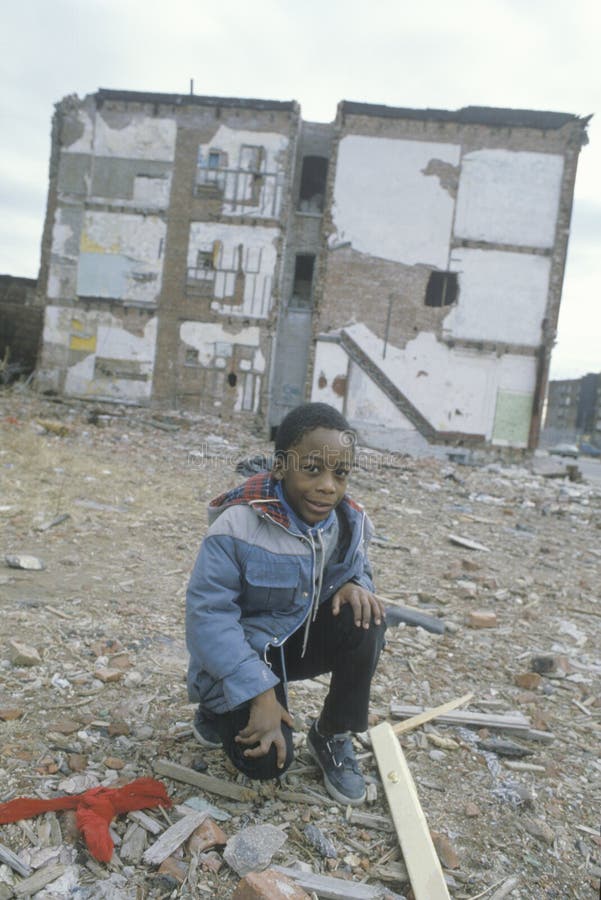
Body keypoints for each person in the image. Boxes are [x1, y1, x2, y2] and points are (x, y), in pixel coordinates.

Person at [185, 402, 386, 804]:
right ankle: (216, 707)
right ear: (280, 468)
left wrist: (352, 583)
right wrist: (261, 695)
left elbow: (356, 565)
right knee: (266, 765)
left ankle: (331, 733)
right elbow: (208, 618)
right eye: (312, 469)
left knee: (367, 616)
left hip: (298, 638)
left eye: (340, 473)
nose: (328, 485)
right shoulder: (237, 526)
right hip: (249, 653)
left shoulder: (345, 522)